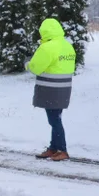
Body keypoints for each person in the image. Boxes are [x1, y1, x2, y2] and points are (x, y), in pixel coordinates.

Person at [27, 18, 76, 162]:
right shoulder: (67, 46)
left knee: (54, 120)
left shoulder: (46, 48)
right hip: (64, 88)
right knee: (56, 118)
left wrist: (27, 64)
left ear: (44, 32)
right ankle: (53, 148)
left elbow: (36, 68)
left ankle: (62, 150)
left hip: (50, 89)